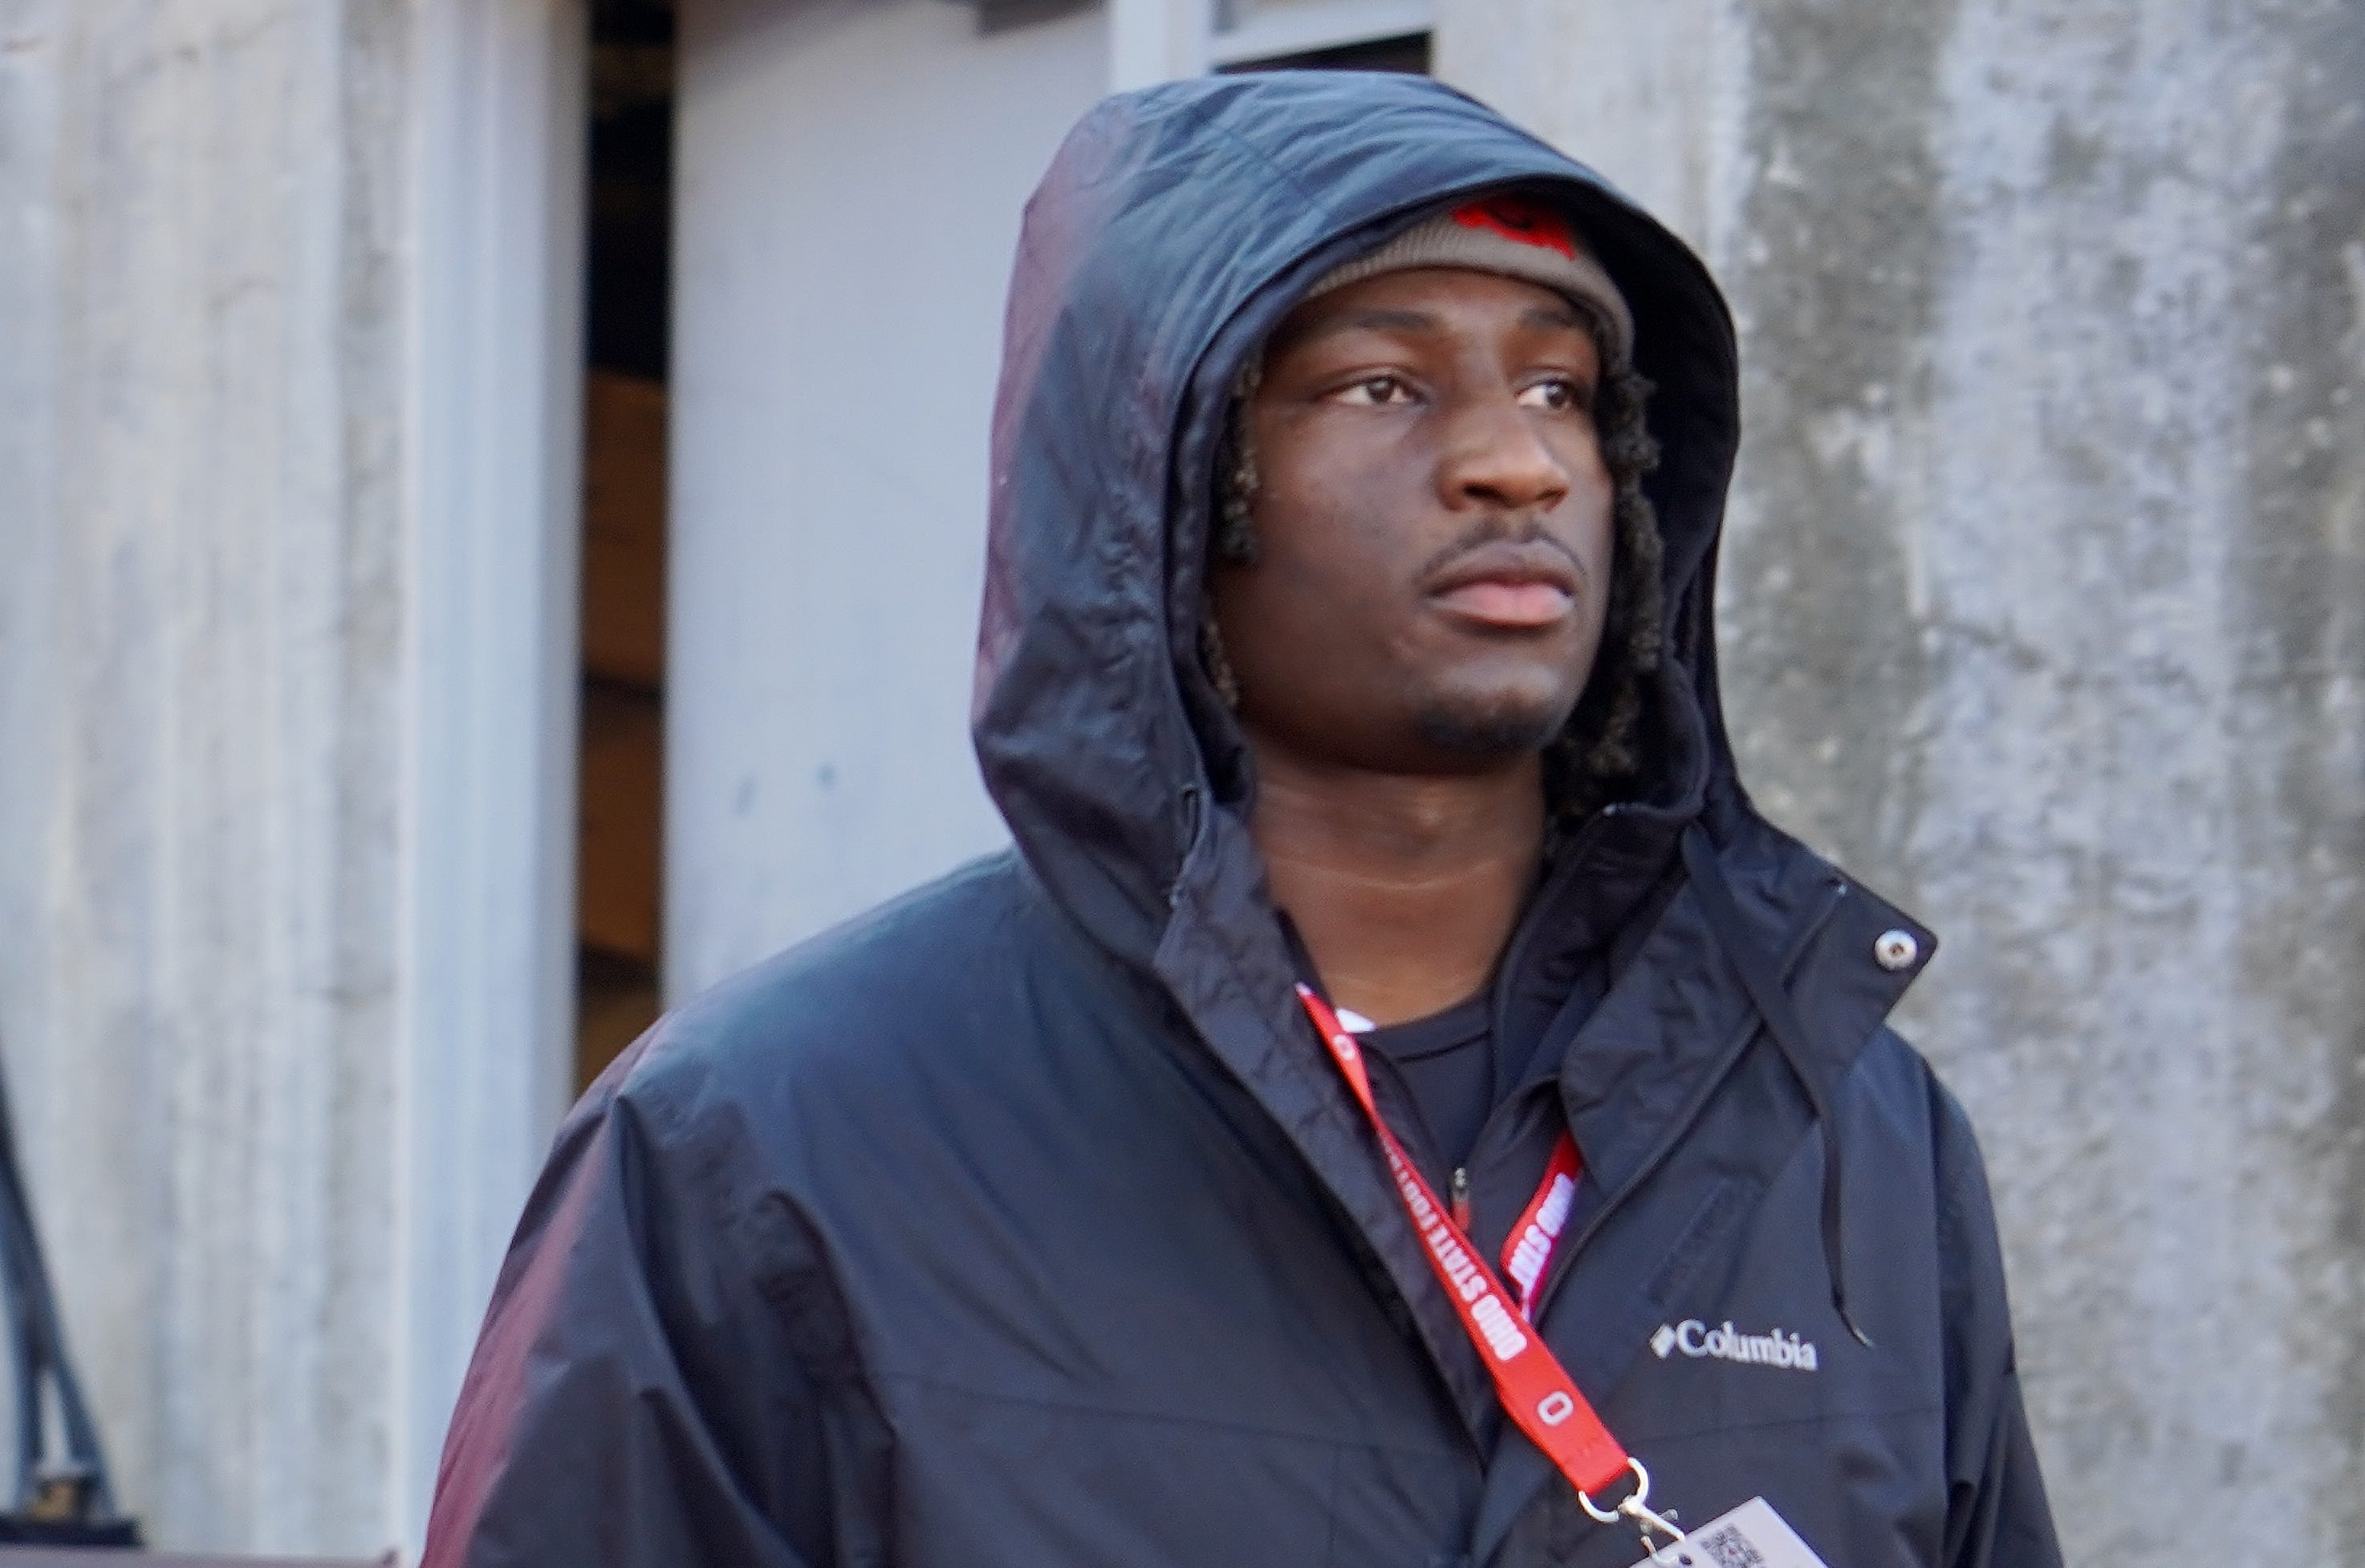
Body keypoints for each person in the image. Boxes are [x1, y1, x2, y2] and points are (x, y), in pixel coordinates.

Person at [421, 71, 2061, 1567]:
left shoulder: (1847, 1126)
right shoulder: (765, 1137)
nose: (1514, 461)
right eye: (1378, 385)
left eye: (1563, 392)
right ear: (1167, 483)